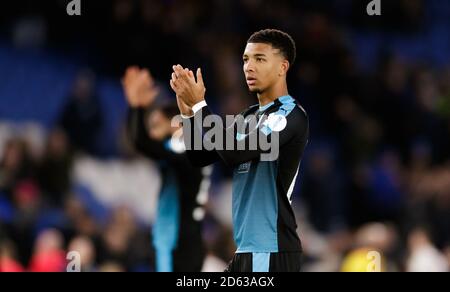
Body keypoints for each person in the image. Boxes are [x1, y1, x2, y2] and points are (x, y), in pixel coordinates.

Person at [170, 29, 309, 272]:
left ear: (282, 67)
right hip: (246, 251)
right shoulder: (247, 117)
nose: (249, 67)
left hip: (271, 251)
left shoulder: (290, 115)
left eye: (260, 59)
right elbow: (199, 156)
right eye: (245, 59)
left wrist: (201, 105)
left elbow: (236, 152)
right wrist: (188, 114)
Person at [122, 67, 210, 272]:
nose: (152, 132)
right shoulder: (192, 149)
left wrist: (137, 108)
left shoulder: (183, 150)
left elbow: (142, 143)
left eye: (156, 125)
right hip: (186, 240)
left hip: (176, 243)